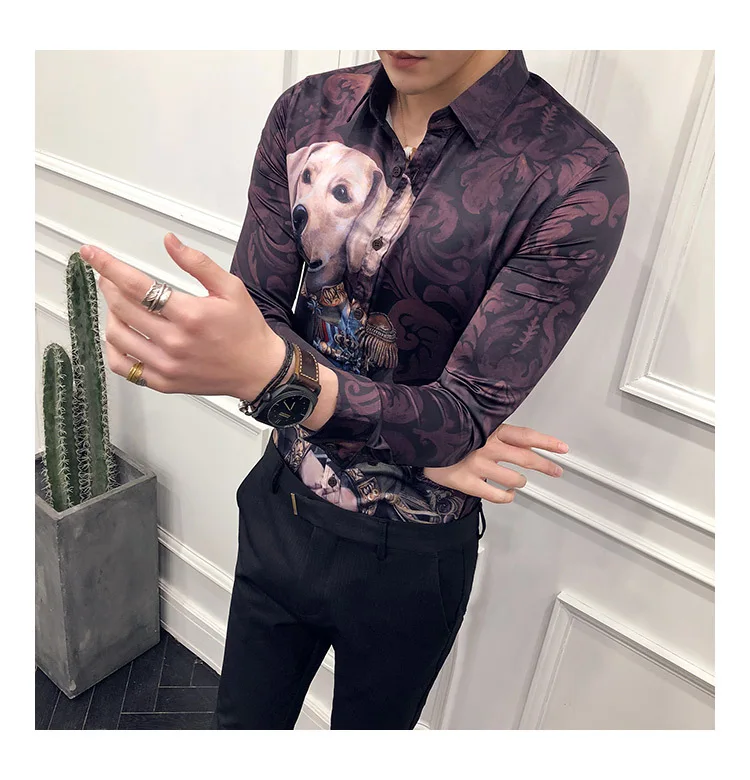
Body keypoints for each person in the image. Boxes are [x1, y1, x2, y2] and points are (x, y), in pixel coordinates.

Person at [84, 50, 629, 730]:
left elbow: (458, 414)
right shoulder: (309, 109)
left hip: (411, 559)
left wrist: (279, 376)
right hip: (281, 504)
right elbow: (258, 319)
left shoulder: (574, 173)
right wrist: (419, 440)